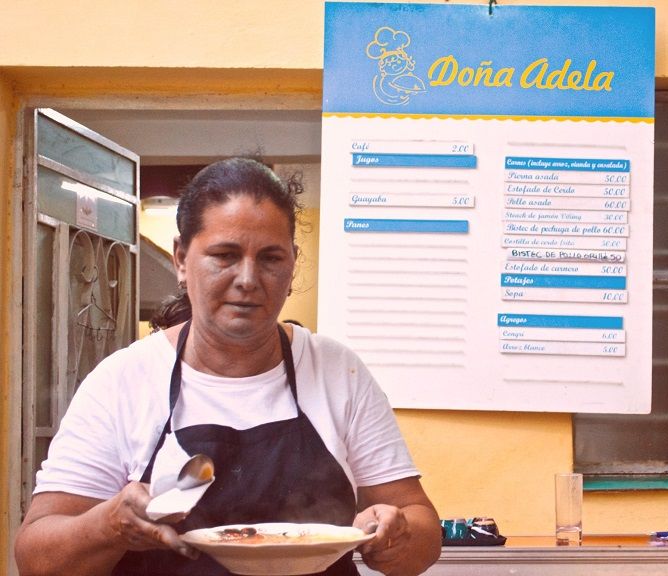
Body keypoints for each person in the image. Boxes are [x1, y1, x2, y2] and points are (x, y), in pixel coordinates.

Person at [14, 158, 442, 576]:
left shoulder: (336, 371)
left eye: (271, 258)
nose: (248, 278)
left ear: (292, 263)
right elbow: (36, 557)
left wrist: (394, 535)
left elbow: (421, 528)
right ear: (182, 258)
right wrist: (107, 524)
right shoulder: (123, 381)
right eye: (225, 254)